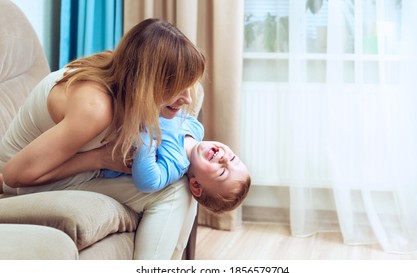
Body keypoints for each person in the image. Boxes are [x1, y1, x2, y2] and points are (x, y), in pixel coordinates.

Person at [0, 18, 205, 259]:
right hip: (29, 180)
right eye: (179, 87)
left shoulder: (123, 74)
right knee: (172, 193)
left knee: (178, 179)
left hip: (62, 167)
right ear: (149, 82)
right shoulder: (95, 108)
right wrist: (101, 159)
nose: (188, 99)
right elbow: (14, 175)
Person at [102, 112, 251, 213]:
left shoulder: (174, 165)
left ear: (196, 186)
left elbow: (147, 182)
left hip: (103, 137)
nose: (225, 159)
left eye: (222, 172)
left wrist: (148, 142)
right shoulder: (196, 127)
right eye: (233, 158)